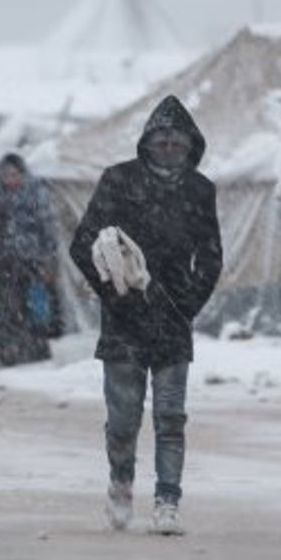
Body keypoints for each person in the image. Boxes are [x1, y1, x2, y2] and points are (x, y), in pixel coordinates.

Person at [70, 94, 222, 536]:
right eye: (161, 141)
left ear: (191, 145)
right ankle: (120, 484)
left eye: (177, 143)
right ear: (147, 142)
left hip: (173, 320)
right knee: (123, 419)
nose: (170, 149)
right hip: (123, 321)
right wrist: (114, 292)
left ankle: (167, 502)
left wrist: (187, 303)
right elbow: (82, 243)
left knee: (171, 418)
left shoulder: (200, 190)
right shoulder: (118, 181)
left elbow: (211, 258)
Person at [0, 153, 61, 367]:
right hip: (3, 261)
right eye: (6, 175)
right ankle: (6, 351)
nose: (11, 179)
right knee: (4, 308)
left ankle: (37, 350)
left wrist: (48, 259)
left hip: (32, 261)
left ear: (22, 174)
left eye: (14, 174)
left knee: (36, 306)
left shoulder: (37, 195)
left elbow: (48, 229)